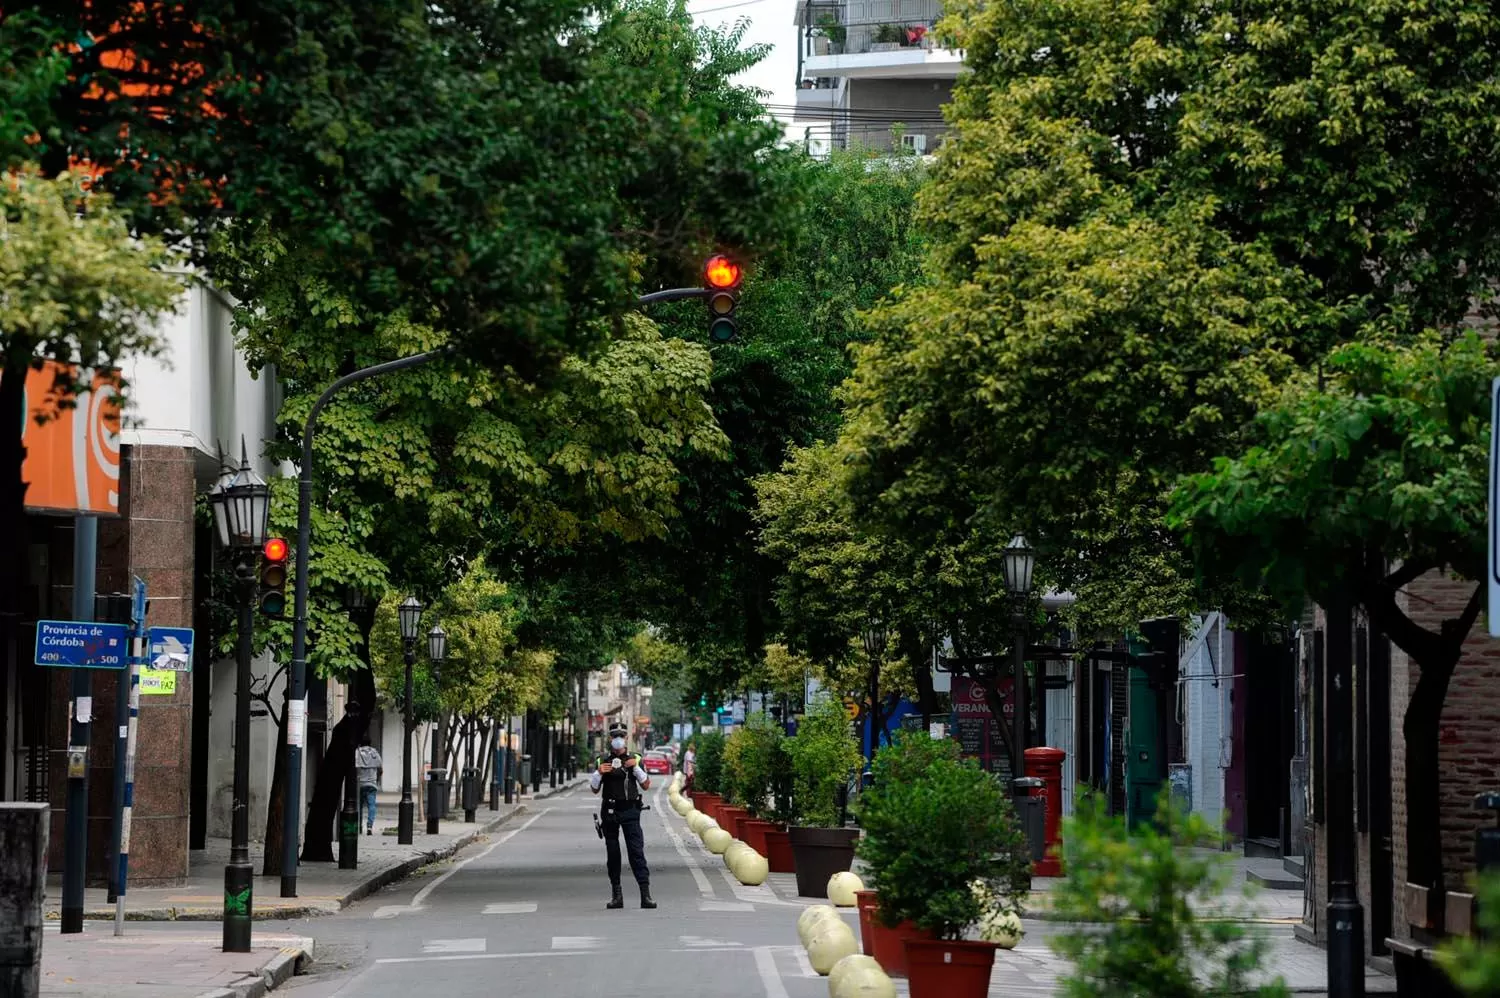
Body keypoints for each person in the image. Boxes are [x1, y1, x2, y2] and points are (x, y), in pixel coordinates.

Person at [591, 722, 655, 910]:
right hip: (610, 811)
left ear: (626, 738)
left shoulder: (636, 758)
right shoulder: (602, 760)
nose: (617, 739)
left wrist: (635, 767)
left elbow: (646, 784)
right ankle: (616, 895)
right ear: (610, 739)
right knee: (613, 853)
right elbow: (595, 789)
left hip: (630, 809)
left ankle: (645, 894)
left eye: (621, 736)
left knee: (636, 852)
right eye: (614, 736)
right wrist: (599, 772)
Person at [354, 736, 383, 835]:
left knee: (359, 806)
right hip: (372, 784)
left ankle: (359, 826)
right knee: (372, 805)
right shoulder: (374, 753)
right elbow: (380, 769)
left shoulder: (357, 753)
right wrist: (377, 779)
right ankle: (369, 826)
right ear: (370, 743)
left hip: (360, 784)